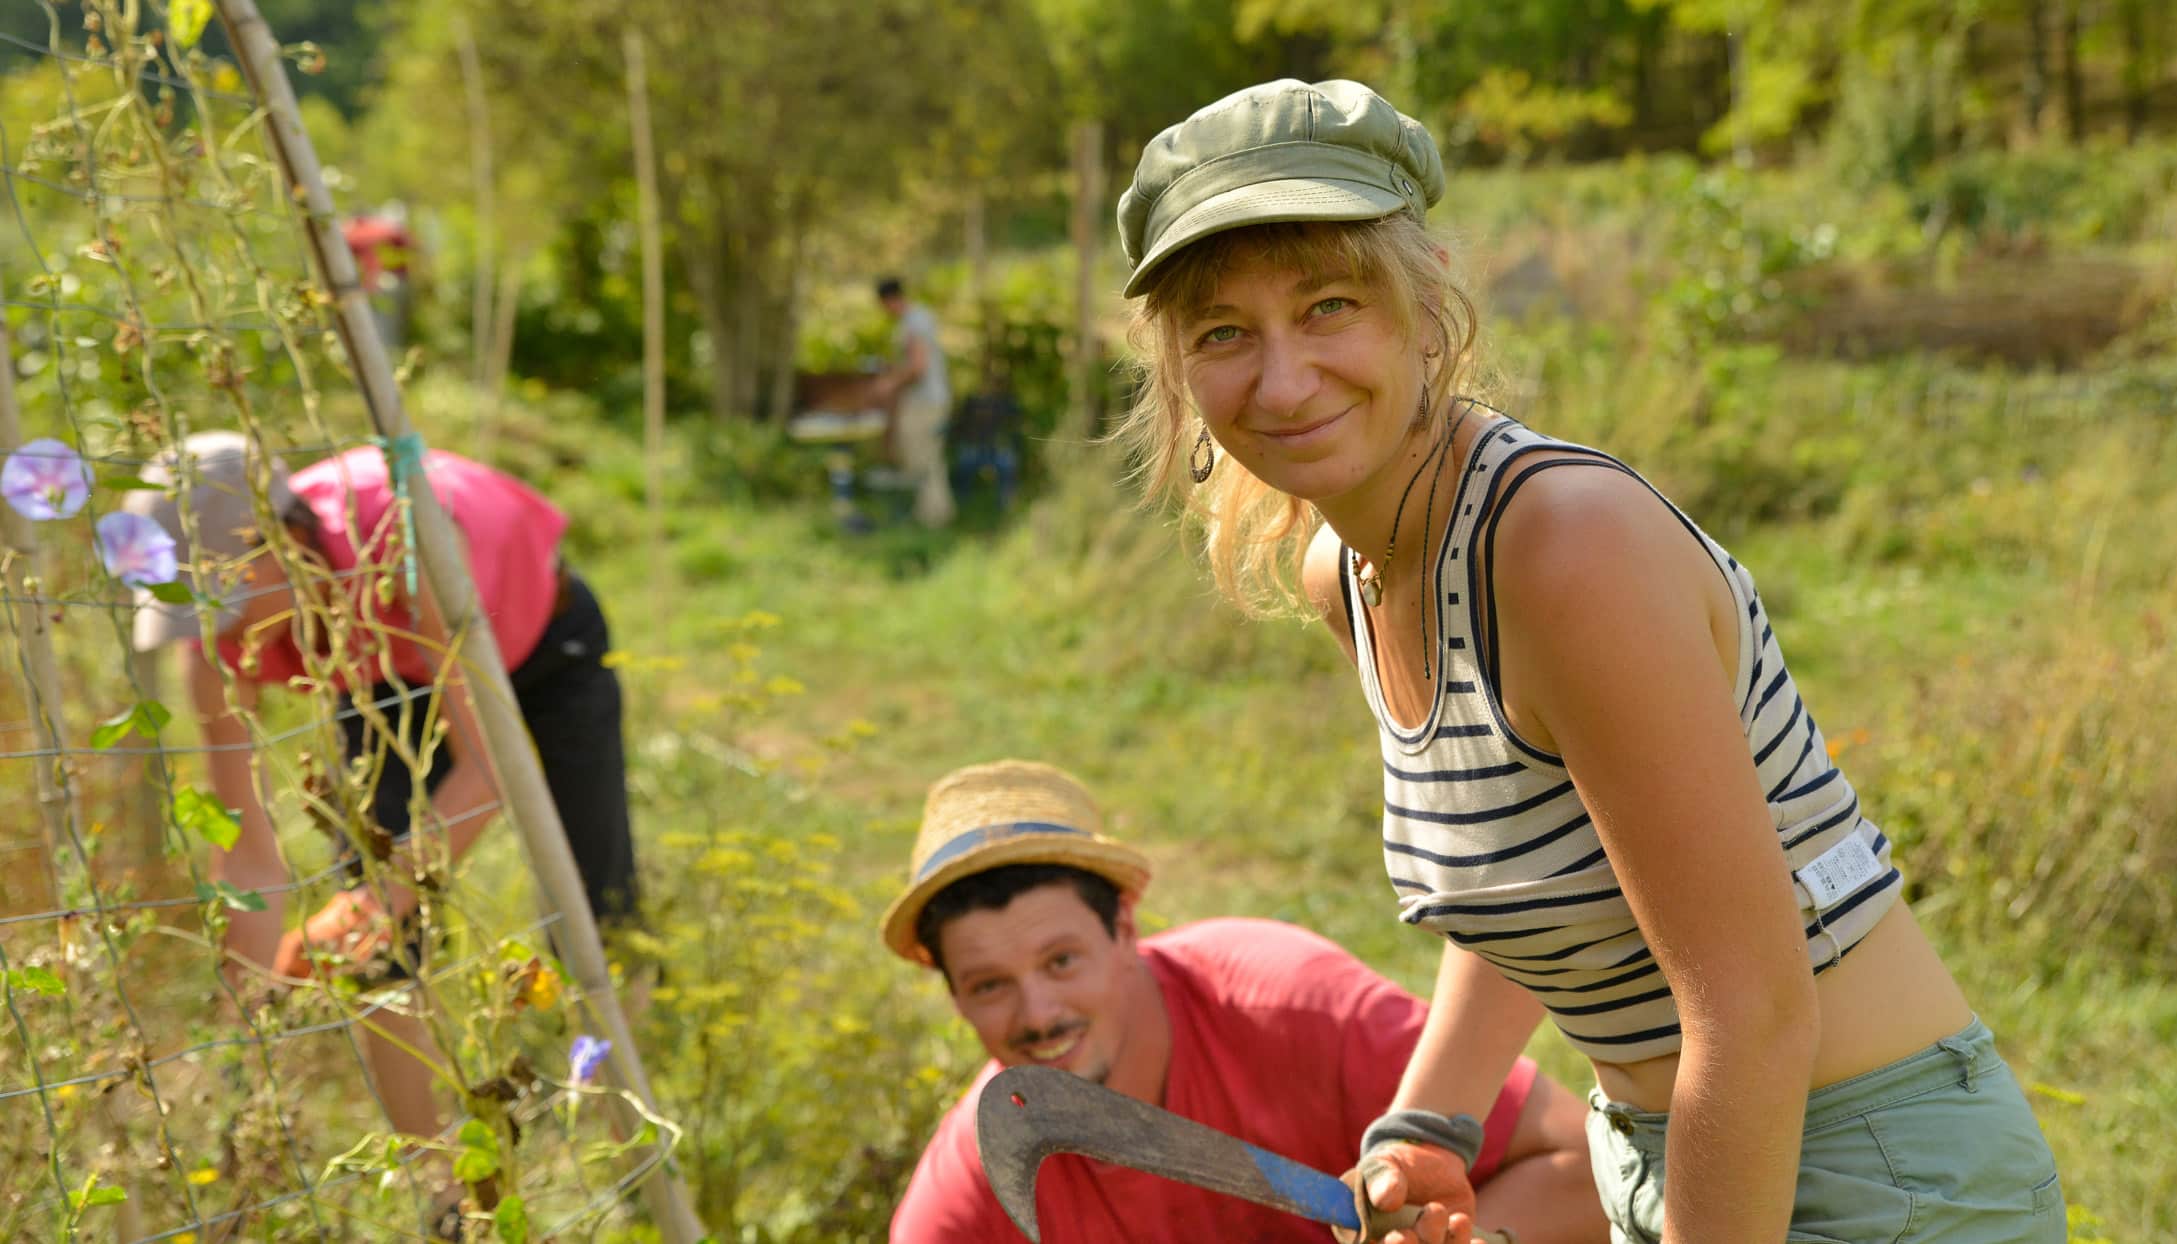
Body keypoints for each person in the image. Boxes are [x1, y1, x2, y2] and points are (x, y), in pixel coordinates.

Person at [1111, 80, 2064, 1244]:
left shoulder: (1564, 548)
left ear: (1424, 303)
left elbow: (1752, 1009)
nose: (1280, 377)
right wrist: (1429, 1119)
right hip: (1675, 1155)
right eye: (1222, 332)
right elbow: (1541, 865)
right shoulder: (1348, 570)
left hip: (1871, 1173)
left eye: (1327, 305)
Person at [123, 431, 640, 1154]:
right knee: (378, 934)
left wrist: (369, 906)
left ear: (287, 540)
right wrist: (248, 1002)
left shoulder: (402, 549)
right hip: (384, 670)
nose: (219, 627)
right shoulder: (215, 646)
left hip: (537, 646)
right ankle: (435, 1177)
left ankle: (624, 1138)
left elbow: (492, 772)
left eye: (225, 598)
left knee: (593, 891)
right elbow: (246, 855)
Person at [884, 759, 1607, 1244]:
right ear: (954, 997)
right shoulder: (966, 1196)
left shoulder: (1294, 1010)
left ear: (1125, 928)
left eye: (1060, 961)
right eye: (989, 985)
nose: (1038, 1014)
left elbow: (1584, 1166)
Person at [876, 275, 956, 528]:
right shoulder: (915, 319)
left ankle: (935, 517)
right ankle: (929, 512)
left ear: (888, 300)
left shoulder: (915, 321)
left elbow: (918, 367)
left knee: (924, 456)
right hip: (925, 400)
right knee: (920, 455)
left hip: (927, 401)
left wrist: (890, 383)